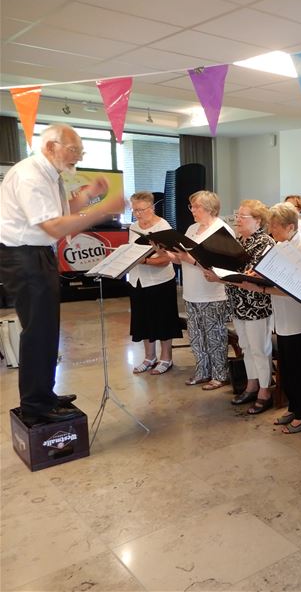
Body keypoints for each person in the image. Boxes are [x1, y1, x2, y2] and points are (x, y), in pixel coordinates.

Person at [0, 123, 125, 423]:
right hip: (24, 255)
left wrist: (91, 196)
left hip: (35, 254)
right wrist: (103, 210)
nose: (77, 158)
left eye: (79, 152)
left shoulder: (48, 173)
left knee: (46, 330)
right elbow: (53, 227)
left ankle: (44, 393)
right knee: (38, 333)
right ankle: (36, 406)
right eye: (73, 150)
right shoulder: (31, 175)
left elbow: (59, 210)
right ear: (50, 146)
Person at [167, 191, 232, 390]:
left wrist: (189, 259)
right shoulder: (192, 228)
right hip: (192, 292)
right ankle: (202, 371)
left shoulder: (221, 229)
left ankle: (220, 374)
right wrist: (167, 251)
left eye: (196, 207)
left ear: (210, 209)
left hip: (213, 293)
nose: (192, 211)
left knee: (215, 336)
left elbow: (220, 265)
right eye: (191, 206)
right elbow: (182, 257)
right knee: (196, 335)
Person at [261, 203, 301, 431]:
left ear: (290, 226)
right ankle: (295, 407)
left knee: (298, 368)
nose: (271, 231)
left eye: (275, 226)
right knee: (287, 365)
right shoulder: (282, 244)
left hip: (297, 316)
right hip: (282, 315)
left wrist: (263, 286)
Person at [219, 200, 275, 412]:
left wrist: (221, 277)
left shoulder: (265, 242)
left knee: (260, 348)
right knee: (246, 346)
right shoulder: (238, 240)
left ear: (258, 220)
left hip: (255, 304)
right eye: (237, 215)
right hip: (237, 302)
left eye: (243, 216)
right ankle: (251, 384)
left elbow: (251, 275)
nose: (237, 220)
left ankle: (265, 389)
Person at [127, 191, 182, 375]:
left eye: (141, 210)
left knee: (162, 320)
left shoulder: (163, 226)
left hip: (160, 281)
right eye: (134, 210)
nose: (138, 214)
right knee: (143, 319)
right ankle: (149, 357)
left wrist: (143, 261)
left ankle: (166, 358)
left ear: (152, 207)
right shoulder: (133, 226)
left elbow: (166, 259)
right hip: (138, 280)